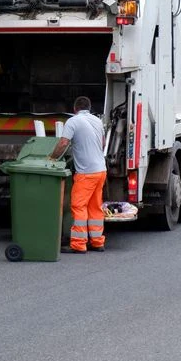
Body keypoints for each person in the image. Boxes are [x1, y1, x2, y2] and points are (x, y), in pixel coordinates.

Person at [49, 96, 107, 253]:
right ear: (89, 107)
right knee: (95, 206)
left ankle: (78, 244)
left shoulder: (73, 121)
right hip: (100, 170)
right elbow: (102, 144)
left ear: (75, 109)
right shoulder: (97, 121)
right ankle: (97, 242)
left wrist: (52, 157)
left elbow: (63, 143)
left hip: (86, 173)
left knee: (79, 206)